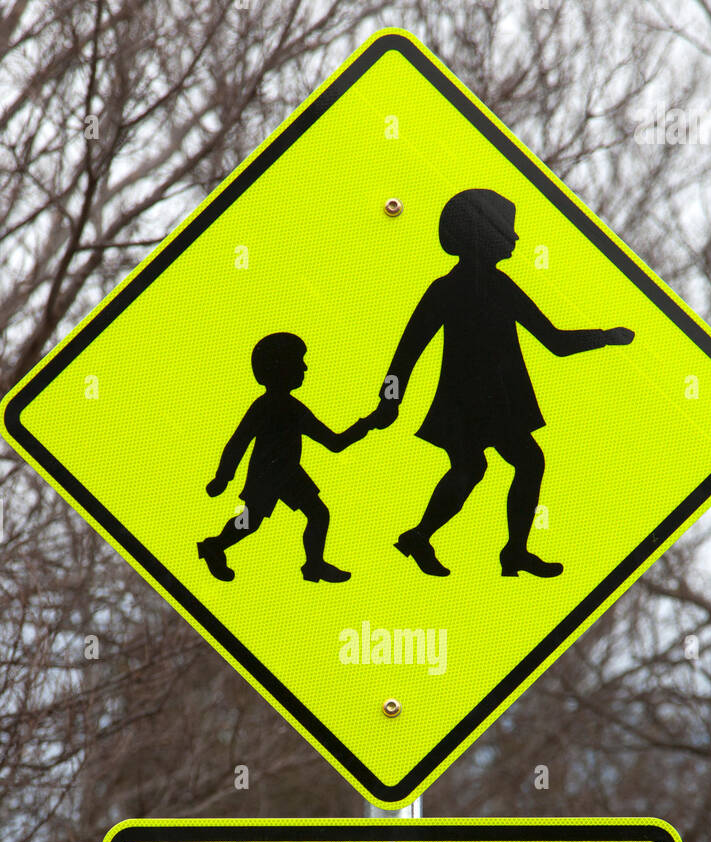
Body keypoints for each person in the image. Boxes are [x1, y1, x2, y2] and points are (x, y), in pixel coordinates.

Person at [376, 188, 635, 577]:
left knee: (498, 465)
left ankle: (450, 541)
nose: (515, 239)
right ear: (482, 233)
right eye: (507, 230)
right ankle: (452, 541)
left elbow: (555, 342)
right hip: (473, 403)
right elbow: (408, 350)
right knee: (489, 466)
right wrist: (389, 400)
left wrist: (604, 337)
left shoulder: (494, 285)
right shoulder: (454, 288)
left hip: (493, 402)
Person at [198, 332, 378, 583]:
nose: (304, 367)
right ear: (281, 367)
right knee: (251, 521)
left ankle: (313, 564)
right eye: (299, 361)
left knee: (314, 513)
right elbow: (238, 441)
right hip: (268, 474)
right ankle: (215, 546)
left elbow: (333, 443)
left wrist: (368, 424)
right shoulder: (267, 406)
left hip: (288, 472)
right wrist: (222, 477)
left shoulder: (294, 408)